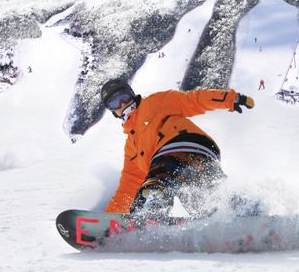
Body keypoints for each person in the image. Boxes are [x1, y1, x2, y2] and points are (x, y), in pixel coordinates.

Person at [100, 79, 256, 219]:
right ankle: (241, 211)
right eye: (115, 103)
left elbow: (193, 100)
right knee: (203, 200)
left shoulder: (154, 103)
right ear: (113, 112)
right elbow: (127, 189)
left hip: (183, 142)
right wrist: (107, 219)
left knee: (157, 179)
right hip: (205, 154)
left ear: (132, 94)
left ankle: (151, 209)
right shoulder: (131, 148)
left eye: (124, 97)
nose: (122, 104)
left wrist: (229, 98)